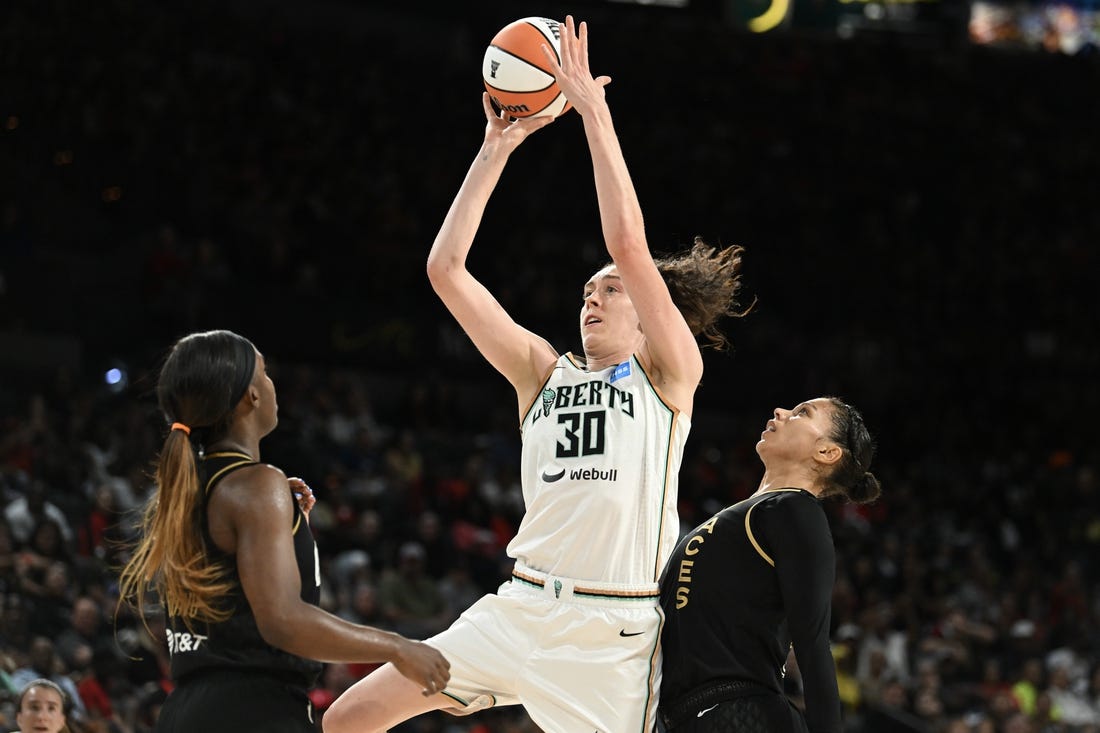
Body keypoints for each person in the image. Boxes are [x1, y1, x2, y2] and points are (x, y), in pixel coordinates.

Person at [323, 15, 747, 733]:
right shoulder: (541, 374)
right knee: (346, 719)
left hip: (607, 631)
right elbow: (445, 270)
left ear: (650, 312)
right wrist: (495, 148)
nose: (593, 294)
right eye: (587, 288)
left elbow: (626, 241)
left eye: (611, 289)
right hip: (517, 608)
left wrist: (592, 109)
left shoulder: (670, 375)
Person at [116, 329, 450, 733]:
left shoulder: (188, 491)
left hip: (187, 710)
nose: (273, 384)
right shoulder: (256, 485)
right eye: (265, 373)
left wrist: (289, 529)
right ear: (250, 396)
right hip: (253, 712)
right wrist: (396, 646)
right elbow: (282, 621)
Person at [658, 397, 882, 733]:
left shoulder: (796, 509)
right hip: (689, 716)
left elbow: (813, 644)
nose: (780, 411)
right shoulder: (748, 512)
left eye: (801, 413)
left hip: (742, 713)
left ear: (826, 452)